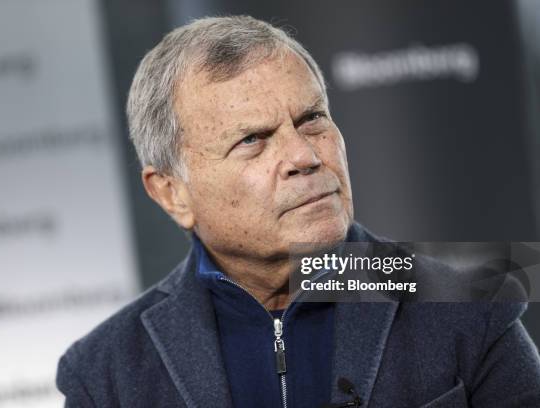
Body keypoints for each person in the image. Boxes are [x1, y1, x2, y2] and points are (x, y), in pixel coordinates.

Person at [56, 15, 540, 407]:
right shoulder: (105, 375)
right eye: (253, 140)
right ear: (171, 193)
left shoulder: (473, 309)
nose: (306, 157)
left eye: (312, 120)